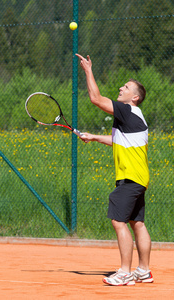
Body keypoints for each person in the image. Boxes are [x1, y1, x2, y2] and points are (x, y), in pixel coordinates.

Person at [76, 53, 154, 286]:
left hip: (130, 178)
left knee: (118, 222)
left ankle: (124, 272)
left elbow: (96, 99)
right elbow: (119, 140)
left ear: (135, 97)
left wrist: (88, 70)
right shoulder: (135, 118)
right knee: (136, 223)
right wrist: (94, 137)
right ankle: (144, 271)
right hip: (139, 178)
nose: (121, 87)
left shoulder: (127, 110)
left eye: (127, 87)